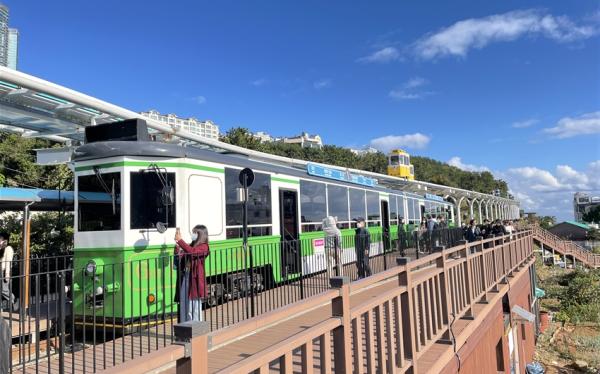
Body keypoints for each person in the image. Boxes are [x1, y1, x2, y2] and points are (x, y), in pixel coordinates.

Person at [174, 225, 210, 322]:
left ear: (200, 235)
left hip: (194, 279)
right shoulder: (192, 245)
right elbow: (184, 255)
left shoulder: (204, 246)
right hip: (186, 276)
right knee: (184, 303)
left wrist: (181, 241)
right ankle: (185, 327)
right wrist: (177, 248)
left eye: (195, 233)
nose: (193, 235)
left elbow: (193, 252)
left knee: (193, 306)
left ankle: (196, 329)